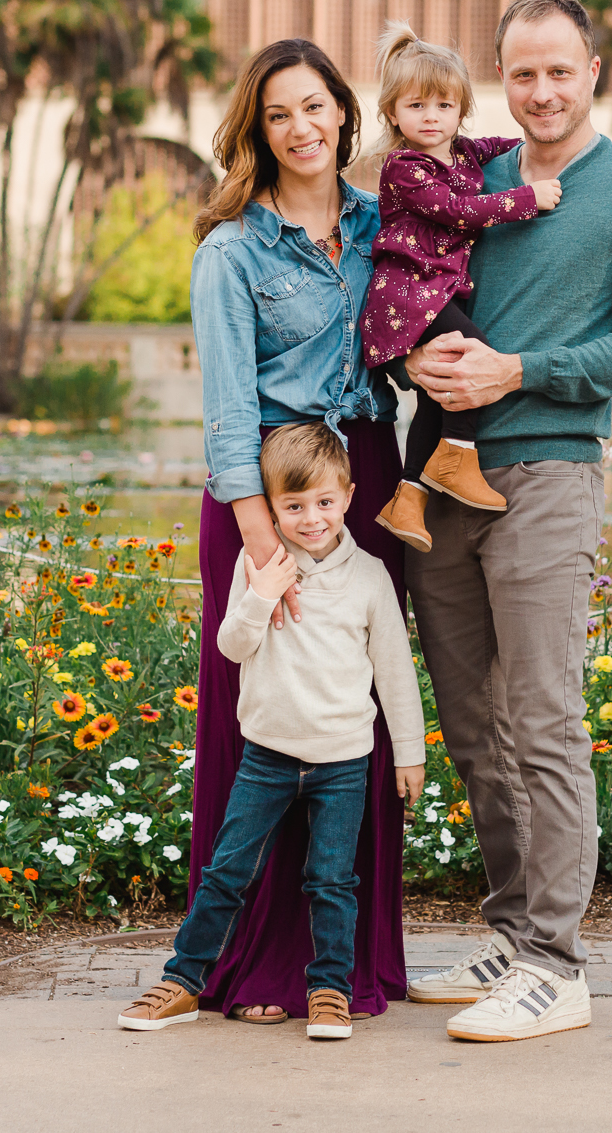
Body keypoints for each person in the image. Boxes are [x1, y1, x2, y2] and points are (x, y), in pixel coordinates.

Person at [400, 0, 612, 1041]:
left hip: (546, 477)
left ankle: (556, 967)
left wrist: (517, 370)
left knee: (541, 719)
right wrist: (411, 353)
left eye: (557, 71)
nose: (539, 92)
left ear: (593, 72)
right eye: (520, 73)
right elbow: (402, 281)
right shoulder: (460, 178)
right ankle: (513, 931)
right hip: (434, 479)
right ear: (499, 78)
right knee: (475, 726)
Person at [173, 38, 413, 1023]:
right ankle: (254, 965)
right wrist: (265, 546)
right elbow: (229, 414)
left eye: (315, 107)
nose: (301, 128)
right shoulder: (231, 249)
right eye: (278, 114)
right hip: (265, 500)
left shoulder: (382, 224)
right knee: (263, 724)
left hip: (362, 487)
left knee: (343, 716)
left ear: (343, 114)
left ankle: (342, 962)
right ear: (256, 130)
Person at [119, 424, 426, 1040]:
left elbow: (395, 672)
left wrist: (410, 754)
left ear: (348, 497)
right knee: (228, 871)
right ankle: (183, 980)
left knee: (333, 879)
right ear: (271, 508)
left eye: (324, 502)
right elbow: (232, 647)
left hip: (344, 762)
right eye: (293, 506)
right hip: (267, 758)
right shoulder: (256, 564)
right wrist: (261, 593)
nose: (311, 518)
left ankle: (330, 990)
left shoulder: (370, 578)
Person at [360, 20, 564, 553]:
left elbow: (506, 147)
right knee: (476, 356)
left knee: (441, 389)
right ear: (393, 113)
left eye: (444, 106)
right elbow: (457, 212)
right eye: (417, 106)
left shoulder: (468, 155)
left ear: (461, 110)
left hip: (437, 293)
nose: (431, 117)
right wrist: (527, 199)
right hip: (408, 295)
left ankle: (407, 499)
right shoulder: (405, 167)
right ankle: (457, 456)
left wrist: (539, 143)